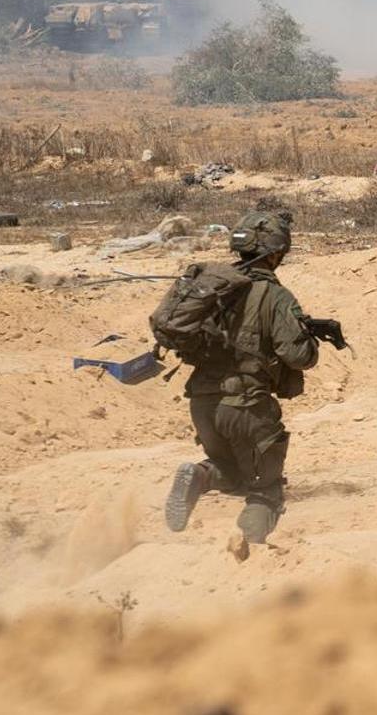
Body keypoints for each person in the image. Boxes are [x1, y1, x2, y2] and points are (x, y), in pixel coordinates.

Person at [163, 209, 320, 544]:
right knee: (266, 491)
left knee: (231, 473)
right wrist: (311, 340)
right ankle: (249, 557)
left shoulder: (214, 289)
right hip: (247, 407)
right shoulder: (276, 296)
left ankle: (200, 476)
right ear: (277, 253)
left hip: (203, 405)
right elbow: (298, 356)